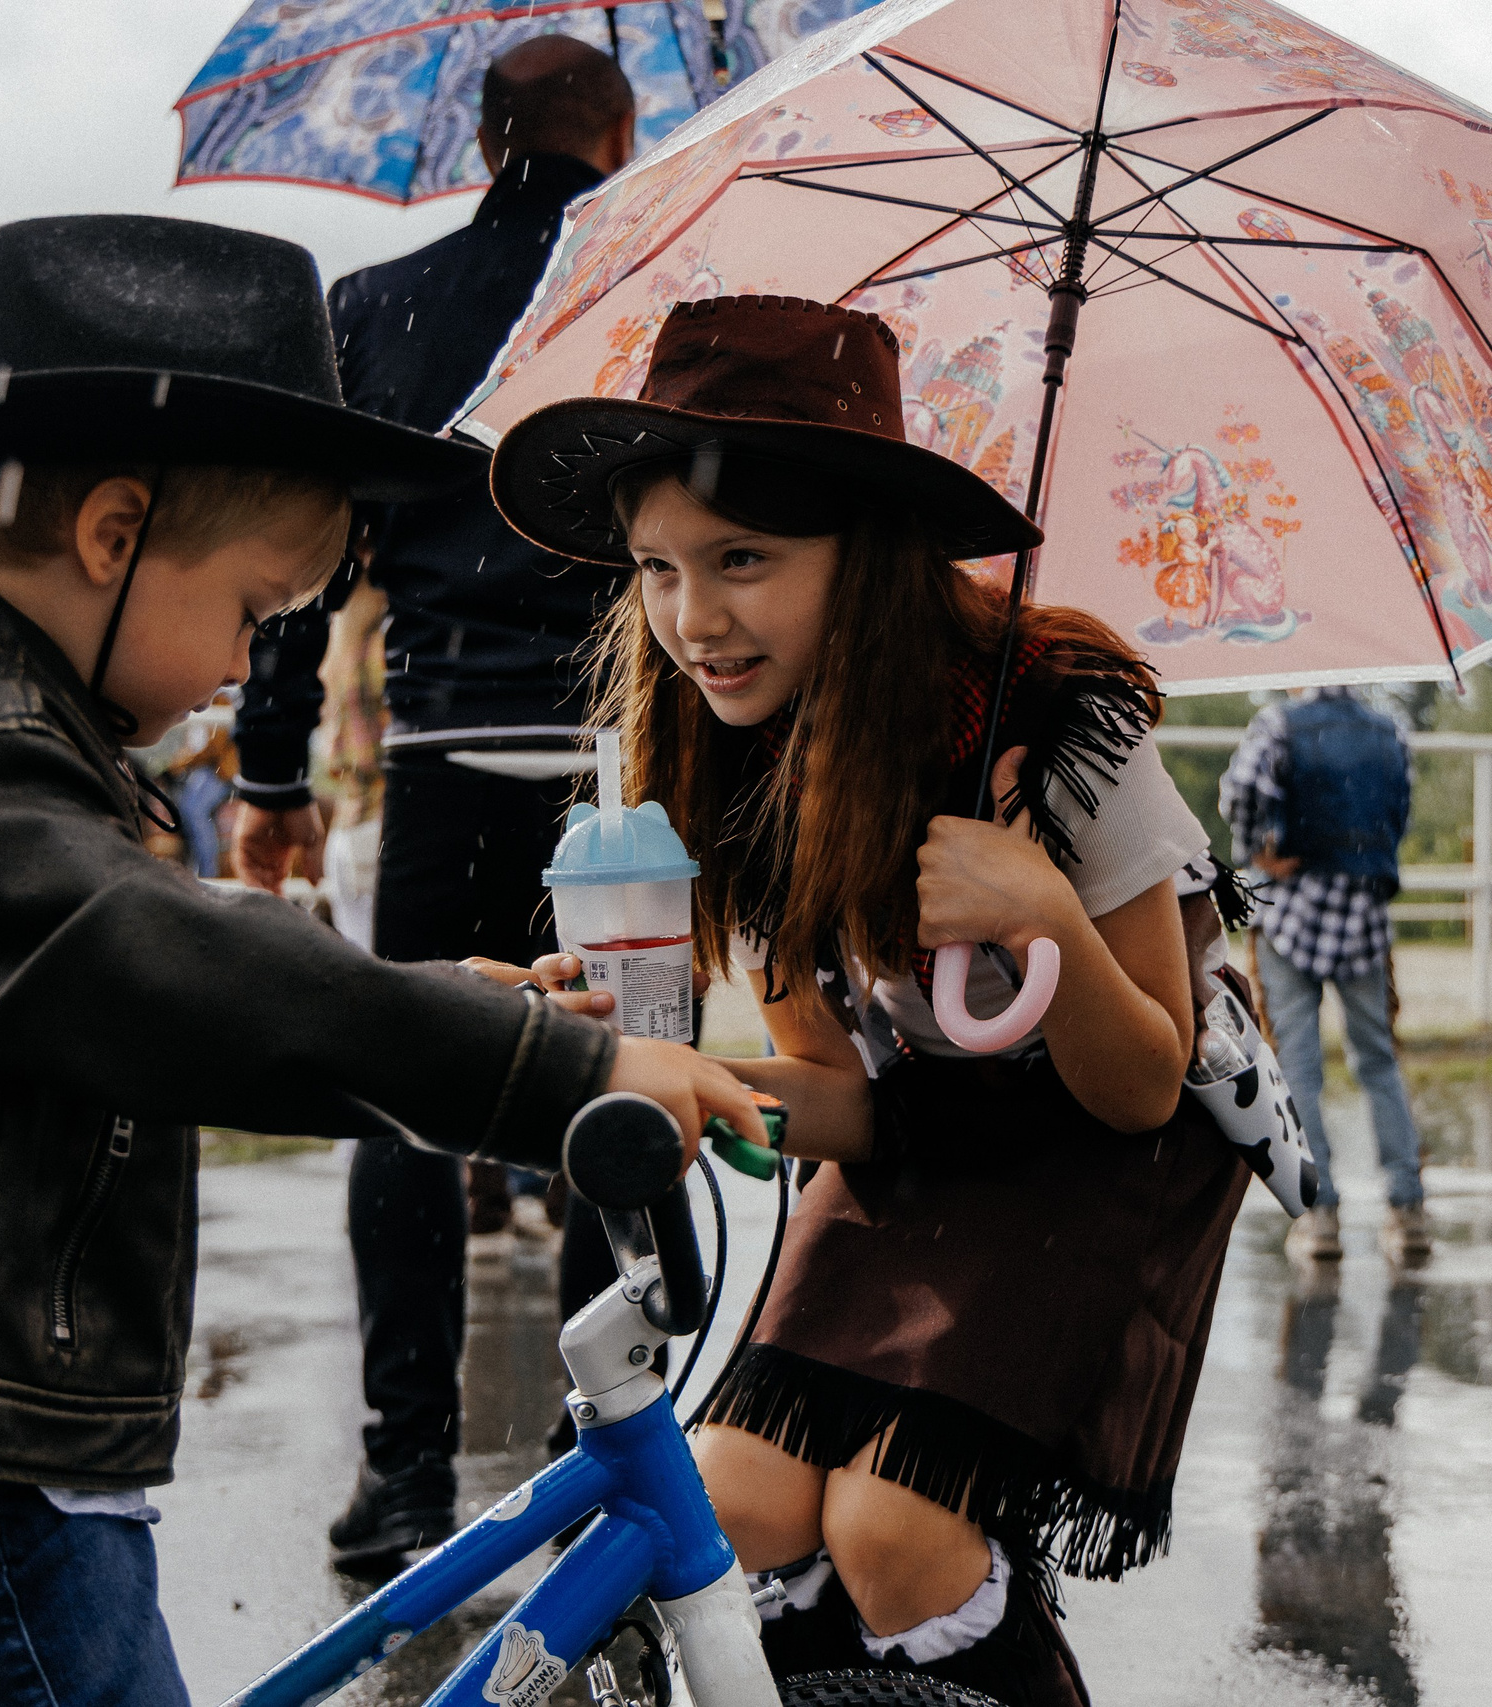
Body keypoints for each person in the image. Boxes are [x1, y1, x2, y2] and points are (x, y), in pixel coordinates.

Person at [0, 214, 762, 1707]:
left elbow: (168, 987)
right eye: (252, 612)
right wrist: (558, 1066)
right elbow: (197, 974)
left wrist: (444, 1003)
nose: (253, 666)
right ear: (113, 537)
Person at [487, 295, 1253, 1706]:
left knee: (894, 1524)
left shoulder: (1057, 716)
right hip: (923, 1134)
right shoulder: (721, 755)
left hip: (1108, 1141)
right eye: (656, 568)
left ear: (873, 557)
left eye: (743, 561)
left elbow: (1147, 1079)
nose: (692, 619)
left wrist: (1041, 917)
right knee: (740, 1495)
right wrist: (631, 1063)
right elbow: (836, 1091)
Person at [227, 34, 641, 1571]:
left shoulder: (379, 305)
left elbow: (302, 561)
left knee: (405, 1099)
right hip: (617, 771)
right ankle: (600, 1451)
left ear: (480, 142)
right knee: (613, 1087)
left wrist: (270, 769)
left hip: (439, 758)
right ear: (622, 131)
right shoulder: (650, 288)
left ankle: (401, 1471)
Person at [1220, 686, 1427, 1263]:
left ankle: (1321, 1215)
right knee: (1378, 1059)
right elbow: (1399, 812)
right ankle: (1408, 1208)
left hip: (1292, 909)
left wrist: (1254, 850)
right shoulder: (1389, 731)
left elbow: (1241, 792)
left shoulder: (1278, 726)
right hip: (1362, 912)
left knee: (1300, 1067)